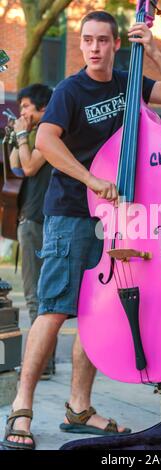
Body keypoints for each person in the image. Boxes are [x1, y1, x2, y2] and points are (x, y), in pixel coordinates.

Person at [2, 10, 161, 450]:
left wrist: (156, 52)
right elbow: (47, 142)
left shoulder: (129, 82)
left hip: (113, 216)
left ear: (115, 44)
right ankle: (21, 406)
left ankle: (79, 408)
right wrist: (91, 181)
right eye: (87, 39)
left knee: (96, 311)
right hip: (71, 211)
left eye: (102, 40)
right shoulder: (71, 89)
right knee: (53, 309)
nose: (93, 47)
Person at [9, 84, 56, 380]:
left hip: (39, 221)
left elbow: (27, 167)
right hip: (31, 218)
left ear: (41, 107)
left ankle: (41, 365)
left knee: (36, 296)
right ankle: (44, 363)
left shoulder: (48, 134)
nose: (22, 112)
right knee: (37, 296)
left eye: (26, 107)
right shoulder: (34, 134)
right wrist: (17, 135)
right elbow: (14, 165)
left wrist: (24, 135)